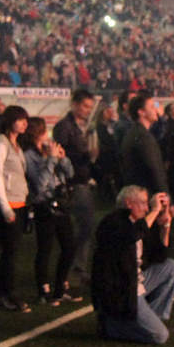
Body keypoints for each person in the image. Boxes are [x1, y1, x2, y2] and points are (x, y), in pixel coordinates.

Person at [90, 186, 174, 344]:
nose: (147, 209)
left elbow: (160, 256)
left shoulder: (139, 224)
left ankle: (152, 319)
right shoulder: (112, 222)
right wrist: (154, 211)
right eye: (143, 203)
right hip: (120, 289)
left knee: (171, 267)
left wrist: (166, 225)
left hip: (135, 282)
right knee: (160, 337)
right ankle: (110, 327)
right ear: (129, 203)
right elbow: (132, 234)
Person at [23, 117, 82, 306]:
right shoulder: (29, 156)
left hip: (61, 203)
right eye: (43, 131)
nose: (47, 135)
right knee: (45, 249)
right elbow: (39, 185)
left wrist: (62, 158)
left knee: (69, 246)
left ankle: (60, 286)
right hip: (44, 205)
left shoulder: (50, 149)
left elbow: (70, 173)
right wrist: (50, 160)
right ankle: (43, 289)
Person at [0, 105, 32, 312]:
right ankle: (6, 294)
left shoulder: (15, 144)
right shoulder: (0, 143)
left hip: (18, 203)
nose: (25, 123)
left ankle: (4, 292)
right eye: (20, 119)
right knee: (9, 253)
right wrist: (5, 208)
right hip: (5, 205)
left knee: (12, 252)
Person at [51, 89, 97, 283]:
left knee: (83, 226)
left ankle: (74, 266)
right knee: (84, 225)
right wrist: (87, 156)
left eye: (90, 107)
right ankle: (74, 268)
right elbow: (60, 156)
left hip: (81, 180)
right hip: (73, 183)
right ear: (75, 104)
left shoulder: (80, 127)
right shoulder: (64, 127)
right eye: (85, 106)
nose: (88, 110)